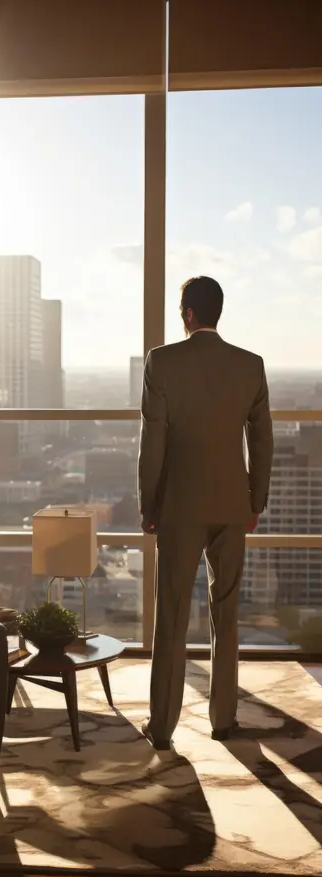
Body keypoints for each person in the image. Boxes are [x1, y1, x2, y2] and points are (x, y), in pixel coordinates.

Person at [138, 276, 273, 750]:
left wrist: (148, 504)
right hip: (232, 506)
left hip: (178, 506)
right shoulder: (250, 367)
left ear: (189, 314)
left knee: (171, 616)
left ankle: (162, 727)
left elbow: (153, 441)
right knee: (227, 612)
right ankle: (224, 720)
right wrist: (254, 502)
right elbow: (261, 440)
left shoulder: (162, 362)